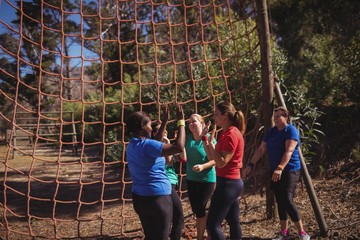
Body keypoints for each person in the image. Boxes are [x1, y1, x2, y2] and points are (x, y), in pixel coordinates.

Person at [243, 106, 311, 240]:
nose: (276, 119)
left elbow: (289, 151)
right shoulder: (271, 132)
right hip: (275, 171)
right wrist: (251, 164)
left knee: (286, 198)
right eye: (275, 117)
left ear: (286, 117)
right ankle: (284, 232)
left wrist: (280, 168)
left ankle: (302, 232)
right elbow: (262, 149)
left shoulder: (290, 130)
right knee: (280, 200)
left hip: (289, 170)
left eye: (280, 116)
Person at [125, 104, 185, 240]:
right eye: (149, 125)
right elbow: (179, 147)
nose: (151, 128)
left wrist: (164, 121)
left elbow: (154, 144)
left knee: (151, 237)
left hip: (140, 199)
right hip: (158, 199)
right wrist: (181, 122)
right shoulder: (147, 145)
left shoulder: (133, 145)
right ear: (142, 126)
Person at [202, 101, 246, 240]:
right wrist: (206, 139)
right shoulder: (226, 133)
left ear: (225, 115)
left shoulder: (231, 134)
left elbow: (221, 162)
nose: (214, 117)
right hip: (228, 182)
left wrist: (211, 143)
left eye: (216, 114)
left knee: (212, 225)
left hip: (229, 183)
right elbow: (212, 158)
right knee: (233, 222)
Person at [182, 113, 216, 240]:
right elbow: (183, 157)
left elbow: (215, 160)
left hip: (206, 179)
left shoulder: (208, 138)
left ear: (202, 123)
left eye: (194, 121)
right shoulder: (188, 138)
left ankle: (205, 235)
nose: (191, 124)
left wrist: (203, 166)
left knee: (201, 208)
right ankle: (203, 236)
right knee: (197, 210)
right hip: (191, 179)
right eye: (189, 122)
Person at [151, 119, 185, 240]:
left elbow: (182, 158)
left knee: (169, 218)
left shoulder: (163, 144)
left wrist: (173, 142)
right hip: (164, 183)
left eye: (165, 131)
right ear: (154, 133)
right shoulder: (152, 145)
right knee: (176, 217)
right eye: (161, 131)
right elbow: (169, 162)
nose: (164, 133)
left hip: (170, 182)